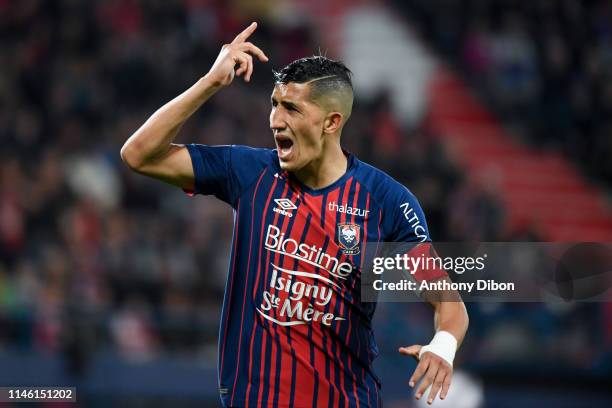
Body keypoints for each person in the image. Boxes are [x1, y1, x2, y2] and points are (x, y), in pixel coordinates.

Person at [121, 22, 469, 408]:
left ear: (331, 122)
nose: (275, 121)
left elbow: (449, 303)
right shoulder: (249, 172)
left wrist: (443, 346)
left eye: (291, 108)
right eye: (274, 104)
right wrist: (210, 82)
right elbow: (139, 155)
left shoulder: (385, 200)